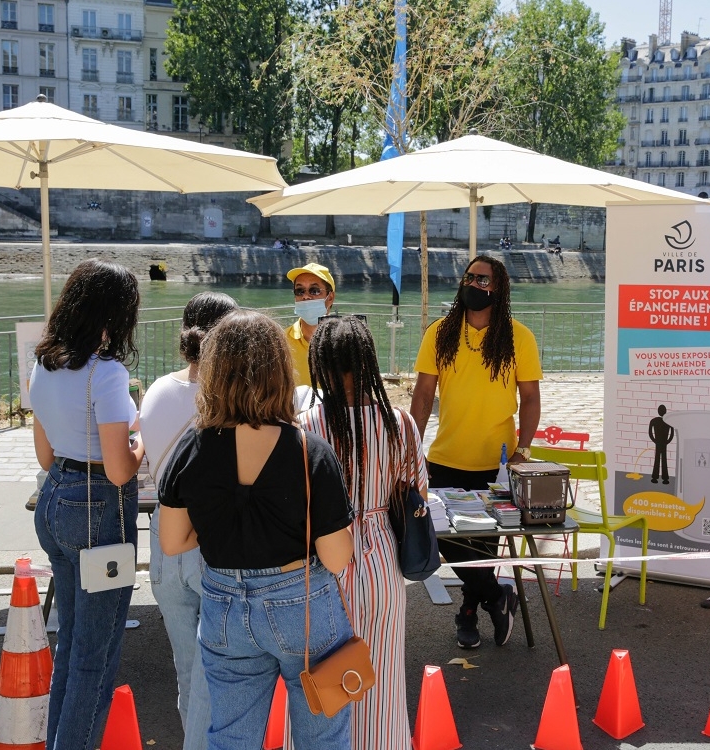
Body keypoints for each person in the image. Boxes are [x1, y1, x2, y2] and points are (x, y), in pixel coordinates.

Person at [157, 310, 356, 749]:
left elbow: (173, 541)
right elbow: (337, 557)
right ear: (279, 371)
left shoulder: (192, 445)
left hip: (224, 606)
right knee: (324, 735)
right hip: (302, 604)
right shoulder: (310, 451)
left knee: (231, 736)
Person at [29, 259, 145, 750]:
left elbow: (44, 452)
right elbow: (121, 469)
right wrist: (144, 443)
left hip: (55, 497)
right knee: (94, 658)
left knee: (73, 644)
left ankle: (59, 738)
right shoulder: (107, 373)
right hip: (100, 509)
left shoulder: (44, 363)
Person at [300, 317, 427, 750]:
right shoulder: (400, 424)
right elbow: (416, 493)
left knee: (323, 683)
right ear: (368, 361)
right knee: (384, 679)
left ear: (321, 365)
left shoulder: (305, 426)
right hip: (383, 562)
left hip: (323, 565)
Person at [409, 255, 542, 649]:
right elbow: (421, 397)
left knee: (482, 548)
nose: (474, 283)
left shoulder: (520, 337)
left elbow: (531, 398)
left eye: (483, 279)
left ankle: (469, 612)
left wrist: (524, 450)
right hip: (444, 460)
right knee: (445, 541)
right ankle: (498, 596)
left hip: (496, 465)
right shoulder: (440, 333)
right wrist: (409, 448)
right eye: (469, 277)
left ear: (498, 288)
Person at [138, 292, 238, 750]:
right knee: (215, 670)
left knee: (188, 668)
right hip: (209, 538)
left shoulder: (157, 388)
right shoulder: (228, 400)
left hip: (163, 536)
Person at [285, 262, 336, 387]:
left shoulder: (346, 342)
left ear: (330, 298)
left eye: (314, 290)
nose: (306, 296)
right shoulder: (281, 342)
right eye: (299, 291)